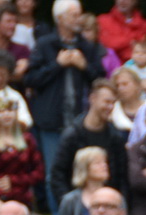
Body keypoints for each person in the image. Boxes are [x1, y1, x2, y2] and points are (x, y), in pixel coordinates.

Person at [24, 0, 106, 177]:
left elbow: (101, 81)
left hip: (82, 120)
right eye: (74, 15)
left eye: (80, 14)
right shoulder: (45, 44)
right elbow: (30, 79)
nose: (79, 19)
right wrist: (57, 64)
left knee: (82, 172)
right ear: (60, 19)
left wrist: (84, 66)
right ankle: (57, 206)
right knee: (54, 172)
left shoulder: (87, 47)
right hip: (52, 121)